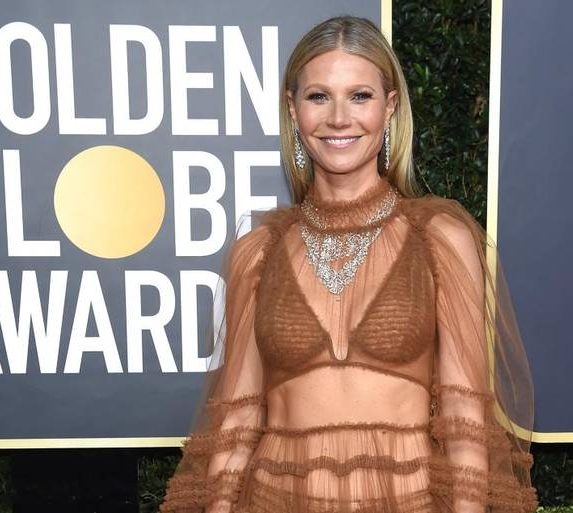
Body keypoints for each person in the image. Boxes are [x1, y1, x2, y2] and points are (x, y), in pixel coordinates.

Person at [159, 15, 537, 513]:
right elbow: (236, 422)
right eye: (319, 97)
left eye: (360, 96)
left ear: (390, 108)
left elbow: (464, 416)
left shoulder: (439, 237)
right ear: (293, 111)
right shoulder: (258, 248)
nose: (339, 118)